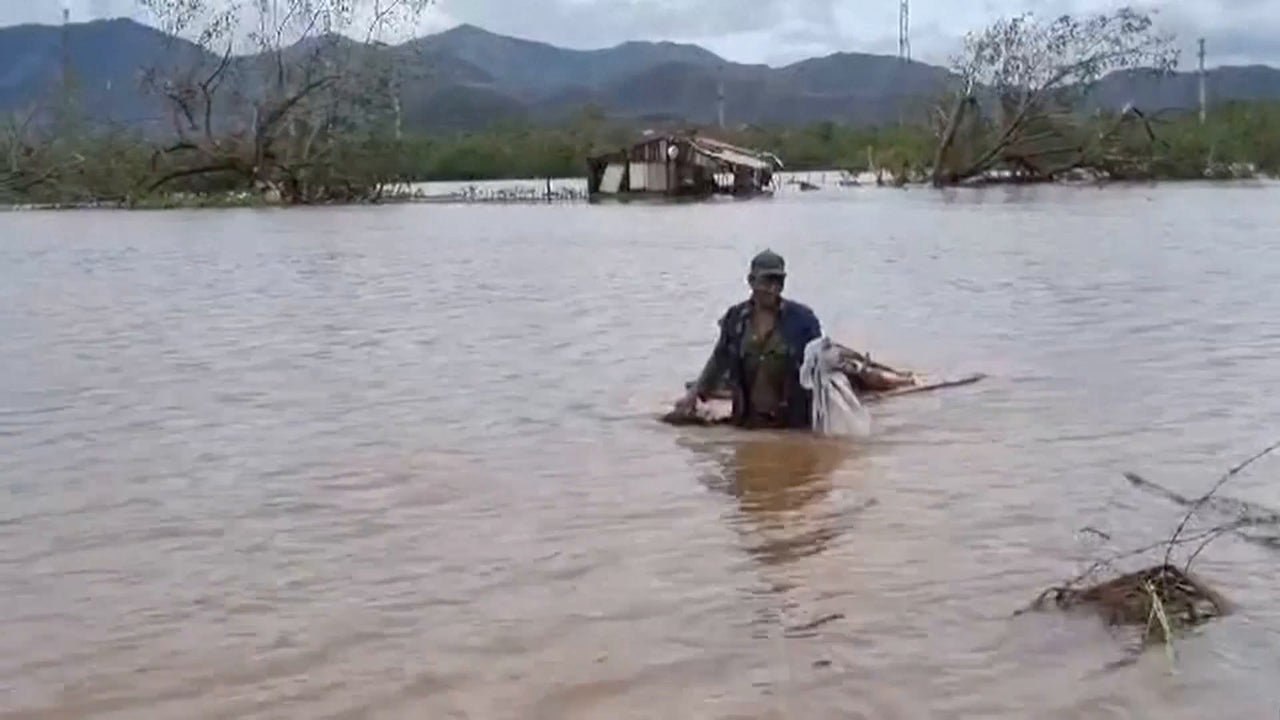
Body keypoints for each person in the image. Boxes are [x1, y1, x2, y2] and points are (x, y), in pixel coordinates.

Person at [675, 249, 823, 430]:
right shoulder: (735, 319)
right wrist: (695, 394)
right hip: (747, 421)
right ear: (751, 281)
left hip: (792, 425)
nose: (773, 288)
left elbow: (819, 369)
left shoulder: (803, 321)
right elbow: (719, 361)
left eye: (779, 281)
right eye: (767, 281)